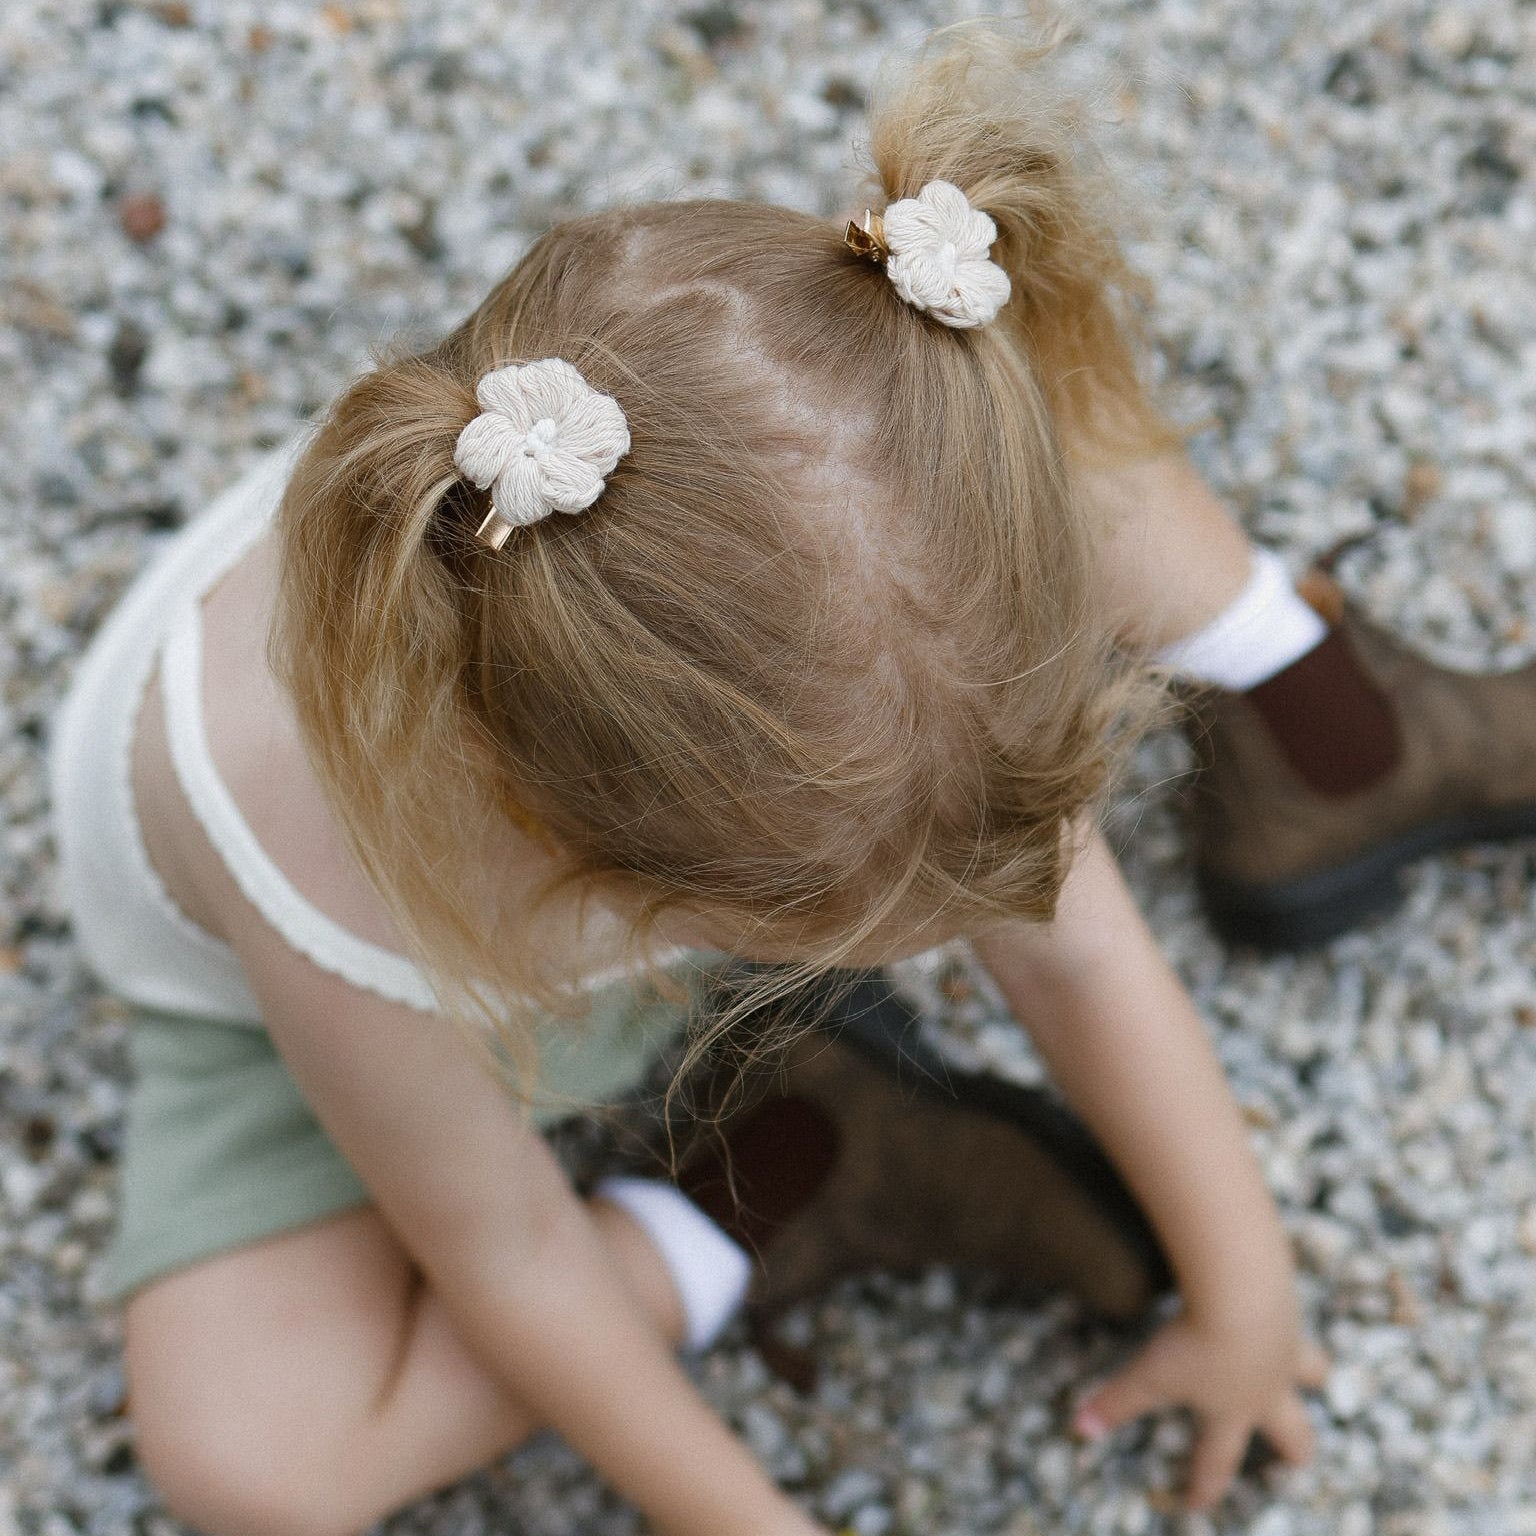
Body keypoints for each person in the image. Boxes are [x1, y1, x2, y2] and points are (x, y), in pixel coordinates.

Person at [63, 13, 1536, 1533]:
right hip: (329, 969)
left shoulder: (859, 623)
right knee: (256, 1472)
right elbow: (508, 1257)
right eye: (843, 930)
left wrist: (1247, 1295)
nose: (980, 916)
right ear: (645, 893)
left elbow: (1080, 958)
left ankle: (1316, 722)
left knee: (1007, 432)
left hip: (696, 746)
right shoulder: (330, 860)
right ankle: (775, 1166)